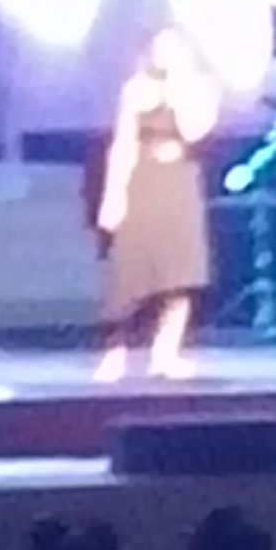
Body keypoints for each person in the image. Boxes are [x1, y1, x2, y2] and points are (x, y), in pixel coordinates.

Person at [94, 27, 221, 382]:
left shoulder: (201, 87)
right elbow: (123, 143)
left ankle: (165, 354)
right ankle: (114, 352)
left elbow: (194, 131)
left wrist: (178, 88)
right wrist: (113, 195)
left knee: (179, 271)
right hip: (142, 182)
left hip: (179, 181)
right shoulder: (135, 89)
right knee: (129, 270)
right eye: (159, 48)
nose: (165, 55)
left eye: (172, 48)